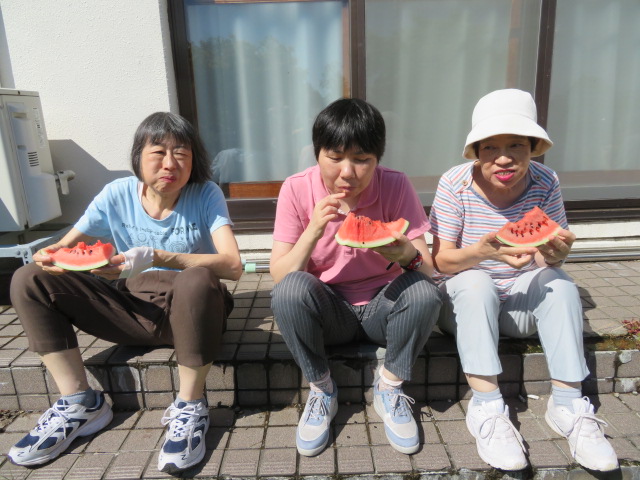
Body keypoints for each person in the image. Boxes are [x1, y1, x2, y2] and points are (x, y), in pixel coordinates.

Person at [7, 112, 242, 473]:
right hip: (128, 306)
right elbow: (63, 249)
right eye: (158, 151)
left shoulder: (205, 194)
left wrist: (161, 258)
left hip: (192, 312)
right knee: (28, 278)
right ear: (138, 156)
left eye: (182, 153)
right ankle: (79, 402)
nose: (170, 163)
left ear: (194, 161)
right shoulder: (116, 194)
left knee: (198, 278)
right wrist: (50, 256)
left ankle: (191, 405)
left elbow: (233, 266)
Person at [429, 89, 618, 472]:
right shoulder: (455, 184)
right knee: (474, 282)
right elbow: (440, 261)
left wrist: (556, 254)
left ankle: (568, 405)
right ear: (476, 151)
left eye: (516, 144)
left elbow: (551, 246)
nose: (503, 157)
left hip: (517, 307)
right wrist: (482, 253)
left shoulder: (546, 181)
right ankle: (487, 409)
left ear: (533, 147)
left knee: (560, 282)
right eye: (490, 147)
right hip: (463, 310)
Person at [270, 98, 442, 456]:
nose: (348, 172)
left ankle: (390, 388)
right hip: (329, 311)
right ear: (317, 154)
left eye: (362, 159)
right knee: (289, 291)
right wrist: (314, 230)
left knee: (424, 292)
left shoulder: (395, 185)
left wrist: (406, 256)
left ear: (378, 158)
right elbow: (279, 274)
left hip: (384, 308)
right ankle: (322, 389)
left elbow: (428, 269)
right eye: (335, 157)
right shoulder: (296, 188)